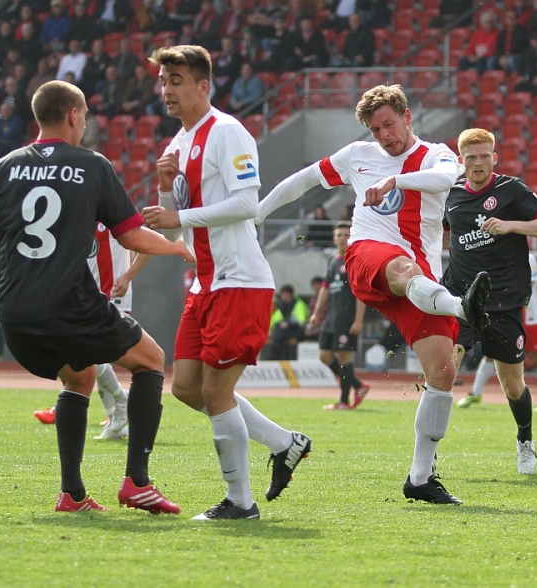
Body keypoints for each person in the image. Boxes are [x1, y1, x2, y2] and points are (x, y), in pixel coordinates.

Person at [0, 80, 193, 514]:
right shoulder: (92, 165)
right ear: (72, 115)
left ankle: (72, 494)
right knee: (152, 361)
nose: (84, 123)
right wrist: (177, 248)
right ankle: (138, 483)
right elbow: (131, 235)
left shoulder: (4, 166)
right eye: (84, 116)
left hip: (15, 314)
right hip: (70, 303)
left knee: (79, 378)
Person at [256, 84, 490, 505]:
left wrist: (395, 179)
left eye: (389, 124)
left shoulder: (435, 154)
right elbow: (305, 179)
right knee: (403, 268)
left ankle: (421, 477)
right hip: (369, 255)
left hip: (422, 282)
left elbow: (446, 177)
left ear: (407, 117)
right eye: (375, 129)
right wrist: (258, 213)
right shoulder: (356, 155)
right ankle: (462, 305)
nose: (384, 135)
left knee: (442, 371)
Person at [140, 45, 312, 521]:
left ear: (203, 86)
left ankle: (240, 502)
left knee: (216, 393)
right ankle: (283, 443)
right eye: (163, 81)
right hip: (206, 283)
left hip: (239, 281)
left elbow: (246, 205)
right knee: (186, 388)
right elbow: (172, 229)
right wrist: (164, 189)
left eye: (176, 80)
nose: (167, 90)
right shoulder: (178, 143)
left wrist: (179, 215)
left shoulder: (227, 131)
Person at [442, 129, 537, 472]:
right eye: (471, 157)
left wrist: (511, 226)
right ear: (461, 161)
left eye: (484, 156)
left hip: (503, 301)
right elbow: (435, 230)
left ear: (494, 158)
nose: (478, 163)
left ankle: (525, 442)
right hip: (459, 299)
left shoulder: (511, 190)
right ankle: (426, 455)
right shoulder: (450, 195)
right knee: (443, 373)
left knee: (512, 385)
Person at [33, 223, 153, 442]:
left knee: (88, 353)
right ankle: (116, 414)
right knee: (85, 354)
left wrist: (127, 276)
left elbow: (147, 243)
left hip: (112, 295)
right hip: (86, 296)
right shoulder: (80, 213)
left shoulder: (113, 211)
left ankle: (117, 401)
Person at [460, 253, 537, 414]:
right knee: (491, 352)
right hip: (508, 315)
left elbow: (526, 284)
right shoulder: (502, 254)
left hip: (530, 316)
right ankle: (475, 393)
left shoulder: (527, 257)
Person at [309, 221, 371, 410]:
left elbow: (361, 293)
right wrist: (316, 313)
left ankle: (344, 401)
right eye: (340, 235)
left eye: (346, 235)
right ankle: (358, 385)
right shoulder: (333, 261)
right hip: (332, 318)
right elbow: (325, 288)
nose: (343, 238)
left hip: (347, 318)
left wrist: (358, 320)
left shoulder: (355, 260)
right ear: (334, 238)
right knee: (324, 355)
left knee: (344, 358)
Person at [269, 284, 309, 359]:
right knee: (278, 333)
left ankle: (275, 356)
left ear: (290, 294)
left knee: (279, 334)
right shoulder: (280, 305)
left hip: (296, 330)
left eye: (285, 294)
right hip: (282, 330)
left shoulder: (299, 305)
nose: (283, 296)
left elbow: (301, 322)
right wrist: (280, 324)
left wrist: (288, 324)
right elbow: (275, 320)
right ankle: (278, 356)